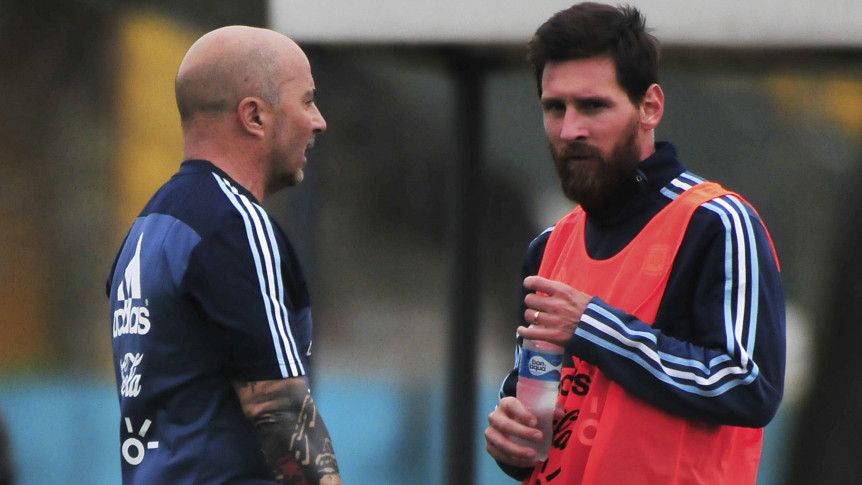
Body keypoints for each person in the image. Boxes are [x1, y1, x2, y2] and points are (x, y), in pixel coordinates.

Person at [484, 3, 785, 484]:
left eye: (593, 106)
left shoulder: (716, 223)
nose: (570, 129)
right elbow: (552, 418)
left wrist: (594, 327)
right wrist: (512, 439)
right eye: (554, 107)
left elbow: (750, 386)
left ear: (650, 107)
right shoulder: (548, 247)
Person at [107, 26, 340, 484]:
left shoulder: (147, 229)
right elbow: (281, 412)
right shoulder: (235, 225)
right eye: (307, 101)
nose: (319, 122)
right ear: (254, 116)